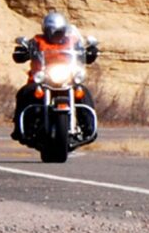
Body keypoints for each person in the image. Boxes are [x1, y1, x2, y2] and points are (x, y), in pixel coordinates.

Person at [11, 11, 97, 142]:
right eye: (53, 31)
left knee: (83, 92)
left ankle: (89, 128)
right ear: (46, 30)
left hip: (67, 79)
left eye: (59, 31)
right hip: (42, 79)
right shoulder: (37, 41)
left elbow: (82, 52)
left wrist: (90, 52)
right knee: (24, 93)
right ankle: (20, 129)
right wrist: (23, 51)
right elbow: (22, 52)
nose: (56, 34)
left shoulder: (72, 41)